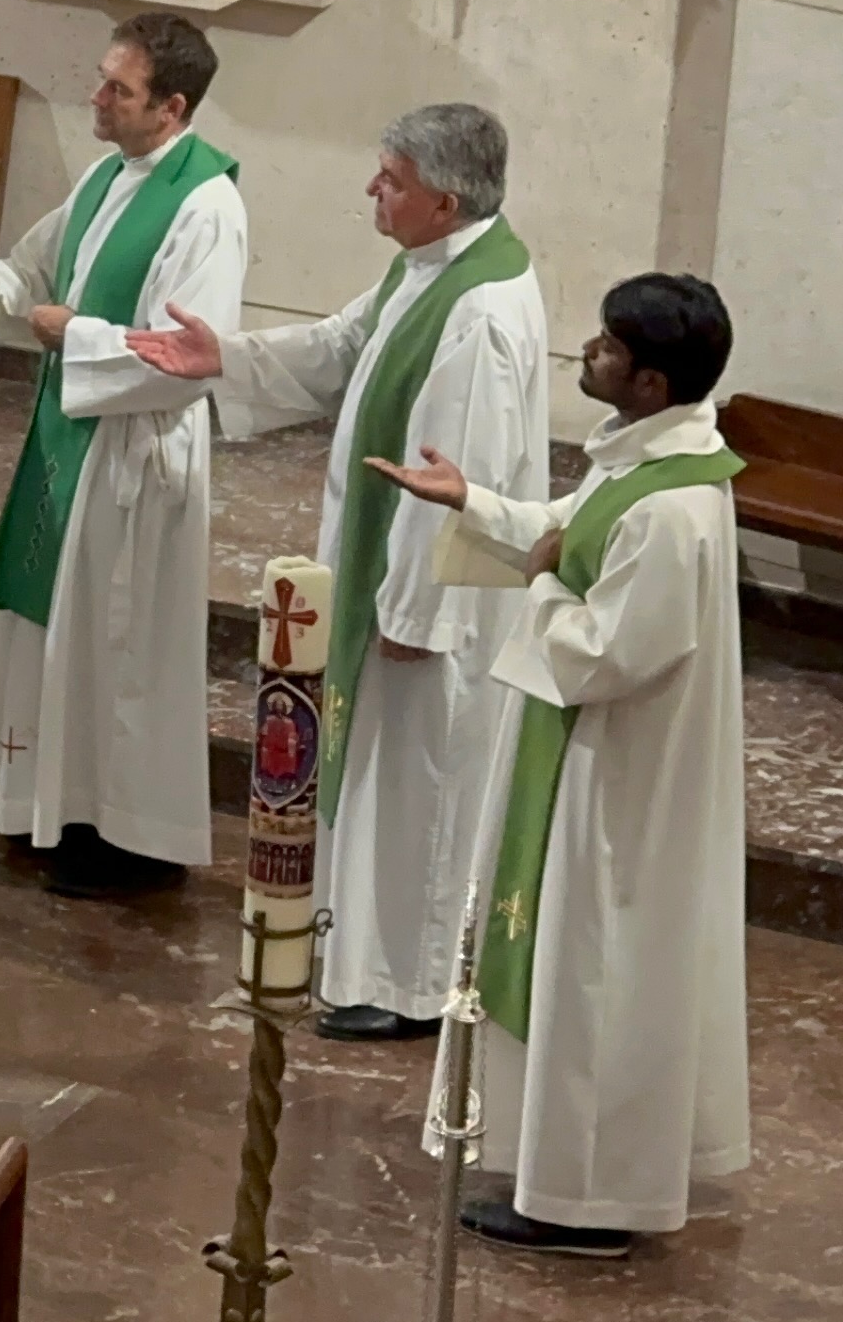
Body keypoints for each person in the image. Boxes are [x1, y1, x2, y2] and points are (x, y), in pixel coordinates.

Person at [124, 104, 548, 1039]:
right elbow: (342, 348)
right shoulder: (430, 267)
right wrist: (224, 358)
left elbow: (454, 474)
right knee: (382, 785)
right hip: (389, 584)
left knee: (418, 789)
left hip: (428, 609)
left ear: (445, 200)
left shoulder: (478, 311)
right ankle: (363, 956)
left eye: (390, 180)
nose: (371, 191)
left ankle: (407, 985)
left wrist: (416, 614)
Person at [374, 274, 747, 1256]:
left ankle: (587, 1205)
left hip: (614, 782)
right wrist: (472, 502)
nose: (591, 351)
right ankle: (558, 1174)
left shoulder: (674, 509)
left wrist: (540, 589)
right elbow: (561, 530)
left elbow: (609, 652)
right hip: (583, 757)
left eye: (610, 346)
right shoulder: (646, 461)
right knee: (572, 966)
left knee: (595, 971)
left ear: (652, 381)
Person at [0, 13, 245, 898]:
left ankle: (134, 840)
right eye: (101, 78)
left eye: (119, 89)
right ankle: (59, 806)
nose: (96, 98)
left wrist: (80, 336)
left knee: (122, 650)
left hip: (135, 454)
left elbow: (188, 356)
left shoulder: (207, 207)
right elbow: (32, 283)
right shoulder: (107, 177)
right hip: (74, 435)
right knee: (60, 633)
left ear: (174, 107)